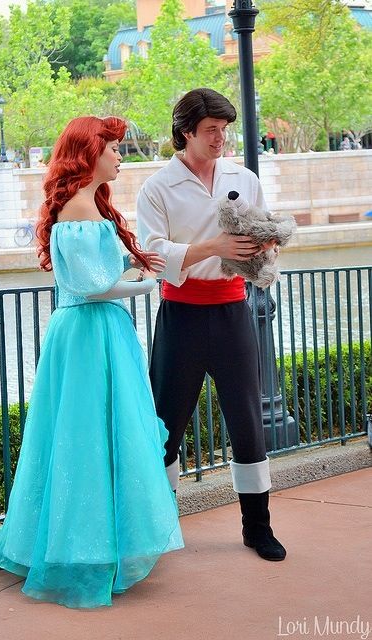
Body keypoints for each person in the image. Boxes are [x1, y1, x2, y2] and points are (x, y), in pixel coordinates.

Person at [0, 115, 184, 609]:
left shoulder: (85, 206)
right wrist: (143, 284)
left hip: (95, 333)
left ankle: (96, 546)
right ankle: (87, 551)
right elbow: (89, 286)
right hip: (90, 333)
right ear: (89, 153)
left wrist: (132, 267)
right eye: (113, 148)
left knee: (90, 436)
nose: (120, 156)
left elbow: (94, 274)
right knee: (89, 438)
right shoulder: (78, 209)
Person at [137, 88, 286, 562]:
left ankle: (257, 528)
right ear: (186, 133)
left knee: (249, 422)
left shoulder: (243, 177)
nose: (221, 139)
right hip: (180, 315)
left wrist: (266, 250)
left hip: (232, 313)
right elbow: (152, 256)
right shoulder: (156, 188)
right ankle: (158, 527)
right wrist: (214, 248)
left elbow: (263, 237)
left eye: (224, 130)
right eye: (211, 131)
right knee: (164, 426)